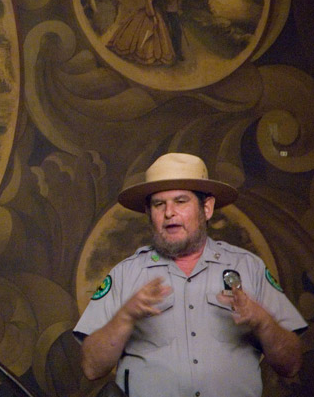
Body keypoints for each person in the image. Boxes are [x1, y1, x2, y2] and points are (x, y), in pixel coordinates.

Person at [74, 153, 307, 397]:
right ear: (148, 212)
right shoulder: (125, 274)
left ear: (206, 208)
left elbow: (291, 365)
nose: (169, 213)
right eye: (158, 204)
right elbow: (91, 368)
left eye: (180, 201)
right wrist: (125, 317)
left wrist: (263, 321)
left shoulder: (249, 267)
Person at [107, 0, 175, 65]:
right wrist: (153, 16)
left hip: (155, 12)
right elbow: (148, 5)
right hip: (149, 14)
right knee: (145, 33)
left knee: (157, 36)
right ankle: (144, 55)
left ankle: (152, 55)